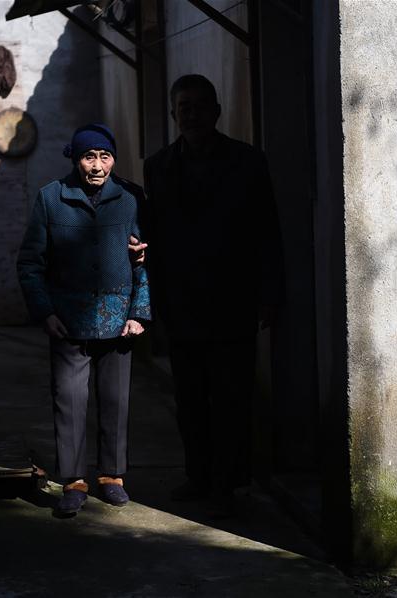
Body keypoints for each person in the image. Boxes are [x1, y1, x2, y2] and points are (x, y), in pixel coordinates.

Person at [142, 75, 284, 512]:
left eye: (201, 106)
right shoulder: (157, 166)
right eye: (184, 107)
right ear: (173, 114)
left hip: (233, 300)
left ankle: (229, 482)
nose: (192, 114)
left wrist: (269, 294)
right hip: (181, 303)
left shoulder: (247, 162)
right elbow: (153, 236)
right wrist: (151, 300)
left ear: (217, 111)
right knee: (189, 400)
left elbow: (268, 233)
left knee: (232, 398)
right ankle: (198, 476)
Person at [17, 123, 150, 515]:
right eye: (89, 157)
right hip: (68, 319)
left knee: (114, 400)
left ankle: (112, 476)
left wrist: (140, 311)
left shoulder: (131, 197)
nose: (97, 165)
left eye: (104, 156)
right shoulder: (51, 198)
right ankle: (73, 480)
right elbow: (30, 263)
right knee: (69, 401)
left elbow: (145, 258)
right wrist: (44, 311)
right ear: (76, 160)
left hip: (118, 316)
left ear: (113, 159)